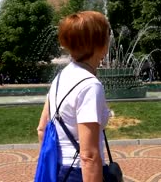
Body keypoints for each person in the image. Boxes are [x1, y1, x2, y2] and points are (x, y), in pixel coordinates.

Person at [36, 11, 111, 181]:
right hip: (80, 173)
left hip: (59, 170)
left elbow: (42, 129)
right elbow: (89, 155)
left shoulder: (60, 77)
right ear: (100, 44)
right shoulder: (90, 85)